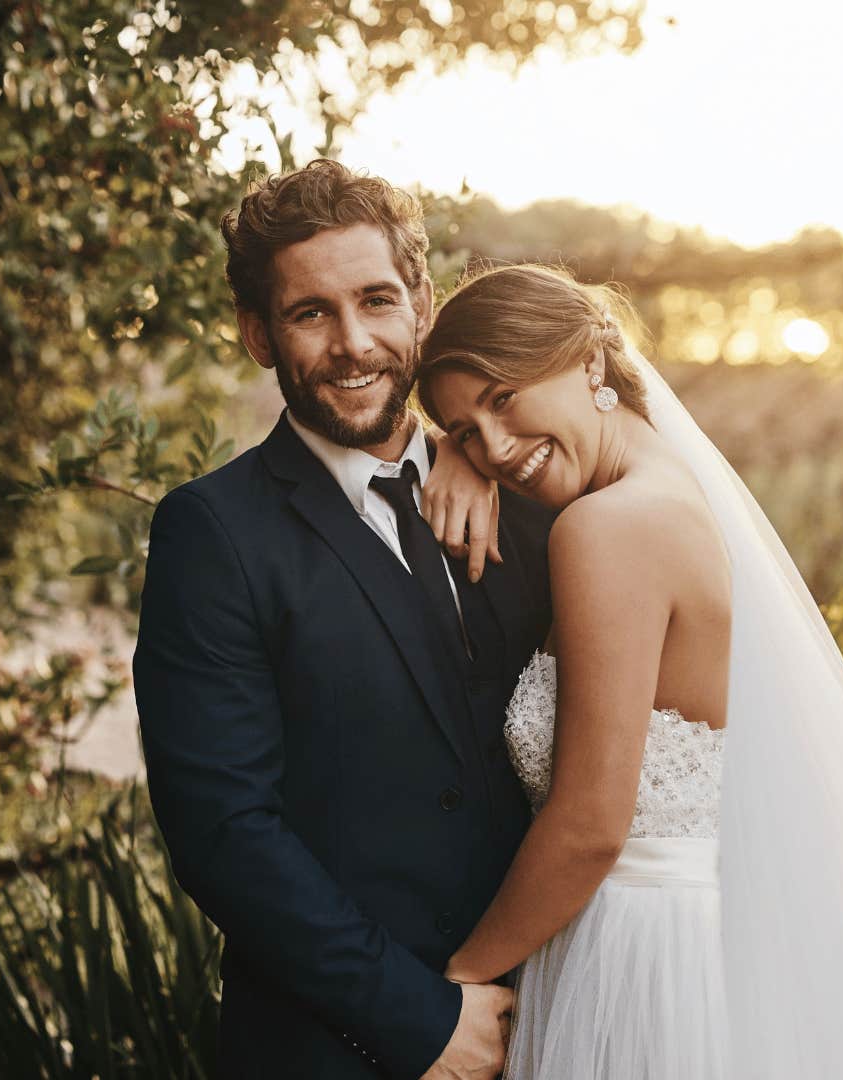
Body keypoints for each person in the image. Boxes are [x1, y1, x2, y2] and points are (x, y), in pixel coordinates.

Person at [417, 263, 843, 1077]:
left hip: (632, 952)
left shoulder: (605, 530)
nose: (498, 446)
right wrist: (446, 450)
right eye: (470, 428)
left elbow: (590, 826)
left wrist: (455, 985)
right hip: (711, 938)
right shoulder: (675, 494)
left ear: (590, 361)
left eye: (503, 398)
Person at [134, 160, 555, 1079]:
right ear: (258, 334)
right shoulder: (213, 534)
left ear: (423, 306)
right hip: (334, 1050)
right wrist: (420, 1023)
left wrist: (468, 447)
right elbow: (223, 832)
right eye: (310, 313)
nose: (353, 343)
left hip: (559, 1021)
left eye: (376, 300)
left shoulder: (524, 499)